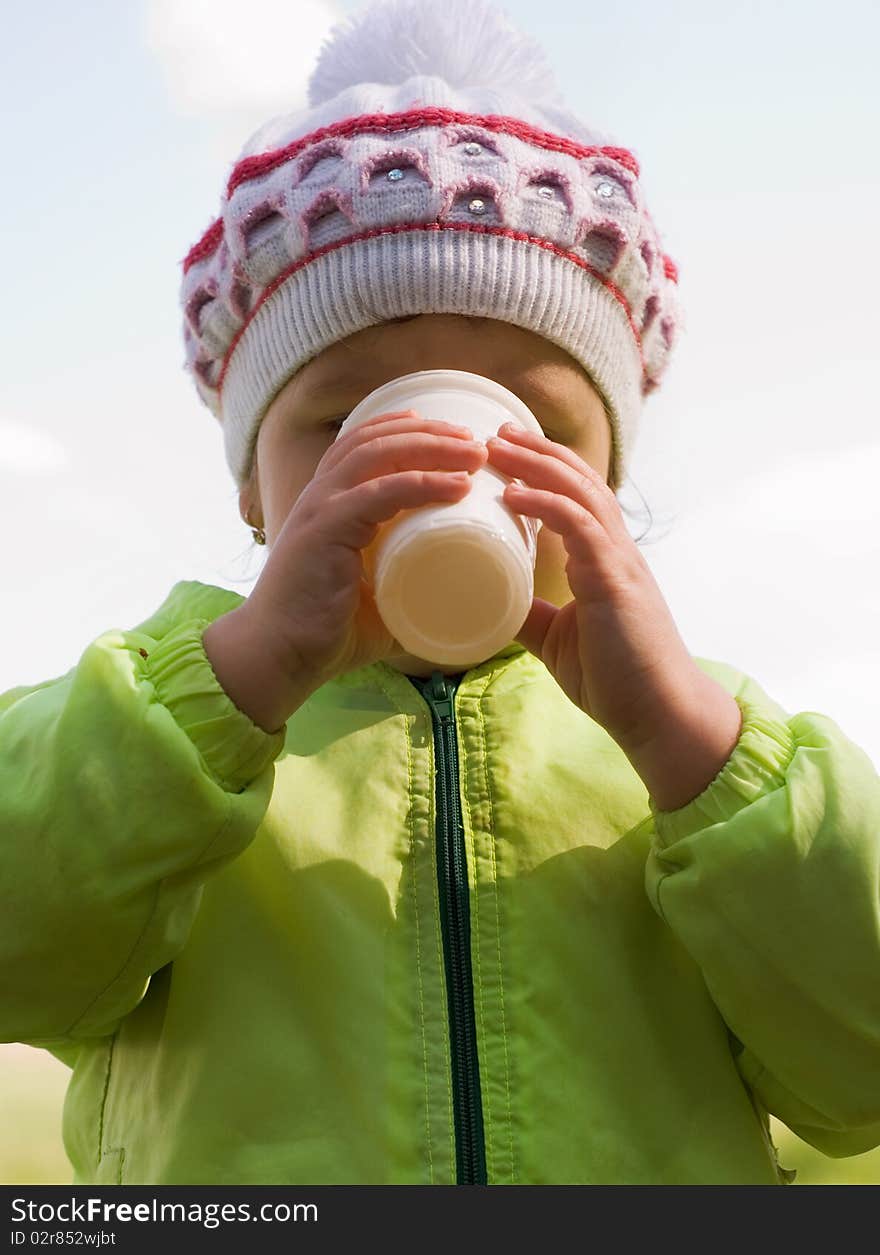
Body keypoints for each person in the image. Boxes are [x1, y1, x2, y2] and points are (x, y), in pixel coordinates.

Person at [2, 0, 878, 1186]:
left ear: (609, 489)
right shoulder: (168, 717)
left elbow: (857, 1075)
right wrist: (233, 683)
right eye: (346, 425)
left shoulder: (696, 750)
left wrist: (695, 754)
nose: (439, 468)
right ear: (258, 495)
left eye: (534, 429)